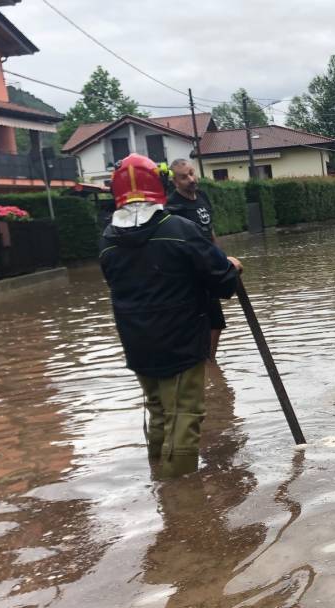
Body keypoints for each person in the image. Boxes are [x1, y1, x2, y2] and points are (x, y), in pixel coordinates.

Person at [99, 154, 243, 478]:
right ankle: (181, 499)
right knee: (185, 414)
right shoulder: (180, 230)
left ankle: (158, 480)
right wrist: (232, 268)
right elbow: (221, 282)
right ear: (161, 186)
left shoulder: (108, 239)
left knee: (159, 411)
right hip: (181, 340)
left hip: (137, 342)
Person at [165, 158, 229, 353]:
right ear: (175, 182)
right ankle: (201, 362)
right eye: (184, 177)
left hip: (209, 268)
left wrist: (221, 260)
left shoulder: (202, 196)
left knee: (217, 322)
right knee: (196, 322)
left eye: (192, 173)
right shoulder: (172, 206)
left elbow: (209, 231)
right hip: (189, 275)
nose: (191, 179)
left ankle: (210, 363)